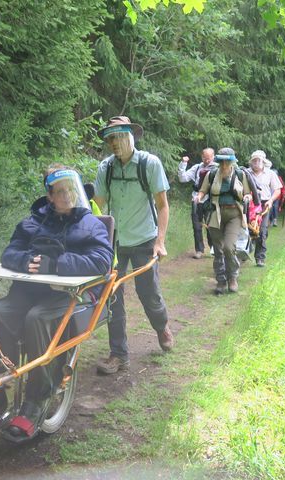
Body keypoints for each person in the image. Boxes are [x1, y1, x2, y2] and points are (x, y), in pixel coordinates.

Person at [0, 165, 113, 442]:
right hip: (30, 290)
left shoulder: (91, 223)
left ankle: (36, 400)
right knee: (1, 311)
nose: (67, 195)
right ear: (49, 196)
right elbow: (10, 252)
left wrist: (56, 265)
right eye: (60, 190)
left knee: (37, 318)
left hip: (69, 295)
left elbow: (102, 261)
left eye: (71, 188)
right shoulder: (32, 222)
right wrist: (24, 262)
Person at [92, 116, 174, 376]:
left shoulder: (149, 164)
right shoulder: (106, 168)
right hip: (115, 242)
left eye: (118, 137)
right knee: (112, 297)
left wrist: (160, 242)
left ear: (131, 136)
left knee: (148, 293)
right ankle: (119, 355)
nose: (114, 143)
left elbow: (162, 206)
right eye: (110, 138)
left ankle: (161, 326)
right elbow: (98, 206)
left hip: (144, 240)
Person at [196, 147, 253, 294]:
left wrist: (247, 197)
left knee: (229, 247)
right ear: (219, 161)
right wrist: (199, 197)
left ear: (232, 162)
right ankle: (221, 281)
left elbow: (248, 193)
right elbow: (203, 190)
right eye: (222, 161)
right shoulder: (212, 174)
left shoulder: (240, 174)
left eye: (227, 161)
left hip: (234, 214)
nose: (224, 165)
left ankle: (232, 277)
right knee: (218, 249)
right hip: (216, 214)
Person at [178, 148, 217, 259]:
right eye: (205, 157)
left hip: (210, 200)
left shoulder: (217, 169)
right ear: (202, 156)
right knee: (196, 226)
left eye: (209, 158)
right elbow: (182, 178)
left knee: (211, 226)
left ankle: (214, 248)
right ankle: (199, 250)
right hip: (196, 200)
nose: (207, 160)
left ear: (213, 156)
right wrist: (183, 163)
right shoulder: (196, 168)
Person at [248, 150, 282, 267]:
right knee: (248, 229)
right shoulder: (246, 173)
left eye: (258, 160)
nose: (256, 163)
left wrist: (271, 200)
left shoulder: (270, 174)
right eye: (254, 161)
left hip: (264, 204)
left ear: (263, 162)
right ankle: (245, 250)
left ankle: (260, 257)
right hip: (250, 205)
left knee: (262, 231)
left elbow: (277, 189)